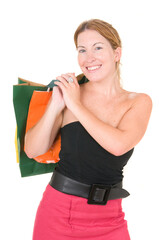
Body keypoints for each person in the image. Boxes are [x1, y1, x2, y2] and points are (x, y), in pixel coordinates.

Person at [25, 19, 152, 240]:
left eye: (98, 48)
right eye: (82, 50)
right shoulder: (70, 93)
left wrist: (76, 105)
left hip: (110, 217)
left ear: (116, 53)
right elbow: (32, 150)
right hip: (59, 212)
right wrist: (56, 106)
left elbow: (118, 146)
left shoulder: (138, 101)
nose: (89, 58)